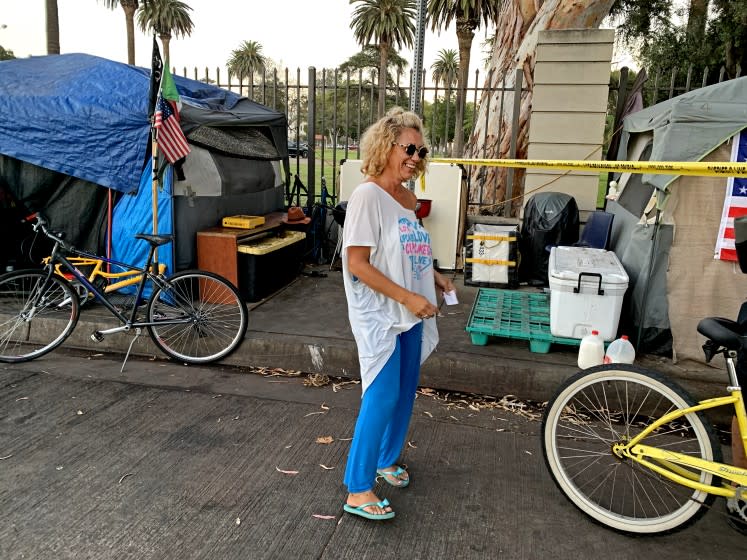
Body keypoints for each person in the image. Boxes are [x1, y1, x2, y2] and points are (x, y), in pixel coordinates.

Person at [340, 107, 455, 521]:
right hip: (382, 314)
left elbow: (408, 250)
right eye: (409, 148)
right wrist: (407, 298)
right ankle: (357, 487)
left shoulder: (407, 199)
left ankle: (386, 461)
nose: (416, 157)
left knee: (405, 391)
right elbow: (358, 262)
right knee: (383, 393)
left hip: (411, 309)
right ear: (386, 147)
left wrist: (437, 277)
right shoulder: (368, 196)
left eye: (421, 150)